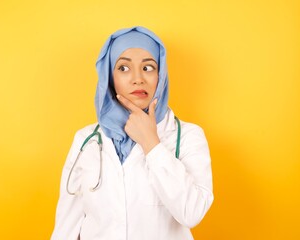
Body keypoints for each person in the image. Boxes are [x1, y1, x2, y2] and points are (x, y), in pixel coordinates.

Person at [50, 26, 214, 240]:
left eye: (148, 68)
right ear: (109, 76)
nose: (138, 79)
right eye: (124, 68)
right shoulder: (86, 140)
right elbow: (66, 227)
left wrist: (152, 144)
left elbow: (191, 213)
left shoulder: (188, 136)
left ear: (160, 75)